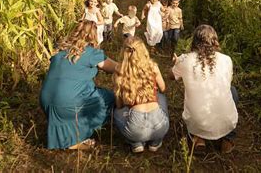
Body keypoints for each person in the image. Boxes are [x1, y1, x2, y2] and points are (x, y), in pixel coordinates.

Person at [39, 20, 118, 150]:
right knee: (108, 98)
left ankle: (64, 136)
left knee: (80, 92)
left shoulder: (59, 52)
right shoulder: (91, 53)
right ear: (94, 35)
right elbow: (115, 68)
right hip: (67, 103)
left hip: (45, 102)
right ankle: (77, 137)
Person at [171, 25, 238, 154]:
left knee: (195, 94)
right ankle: (227, 140)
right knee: (232, 91)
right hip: (228, 122)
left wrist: (176, 63)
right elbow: (226, 84)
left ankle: (198, 138)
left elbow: (172, 76)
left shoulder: (185, 59)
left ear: (194, 41)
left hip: (196, 122)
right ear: (214, 41)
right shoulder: (226, 59)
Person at [113, 36, 169, 153]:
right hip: (160, 125)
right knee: (161, 97)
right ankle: (155, 142)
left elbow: (119, 105)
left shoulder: (120, 70)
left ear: (124, 52)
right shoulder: (152, 66)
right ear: (143, 50)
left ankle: (136, 143)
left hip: (135, 127)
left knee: (116, 112)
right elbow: (163, 88)